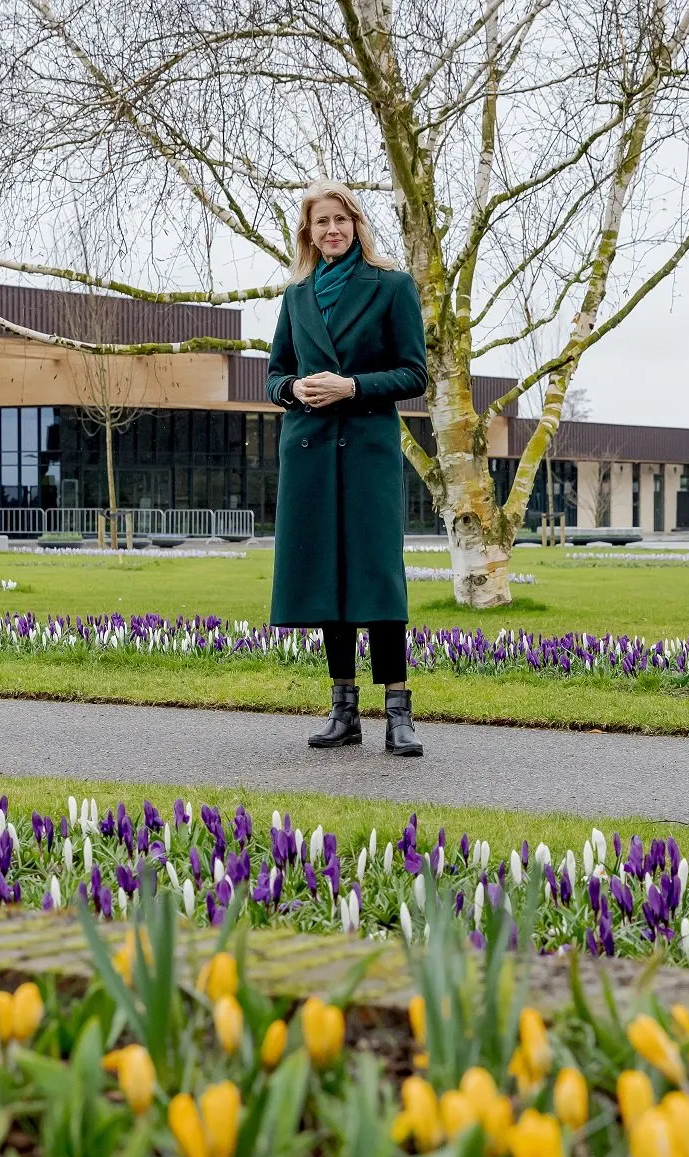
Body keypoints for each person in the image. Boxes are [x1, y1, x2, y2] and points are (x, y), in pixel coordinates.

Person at [266, 181, 430, 756]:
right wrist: (294, 389)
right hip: (309, 450)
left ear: (357, 224)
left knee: (377, 574)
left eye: (340, 220)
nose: (331, 230)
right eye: (320, 223)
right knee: (326, 579)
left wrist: (353, 386)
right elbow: (274, 374)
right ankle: (344, 711)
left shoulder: (392, 287)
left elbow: (414, 375)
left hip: (367, 452)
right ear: (308, 234)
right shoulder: (297, 296)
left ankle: (398, 712)